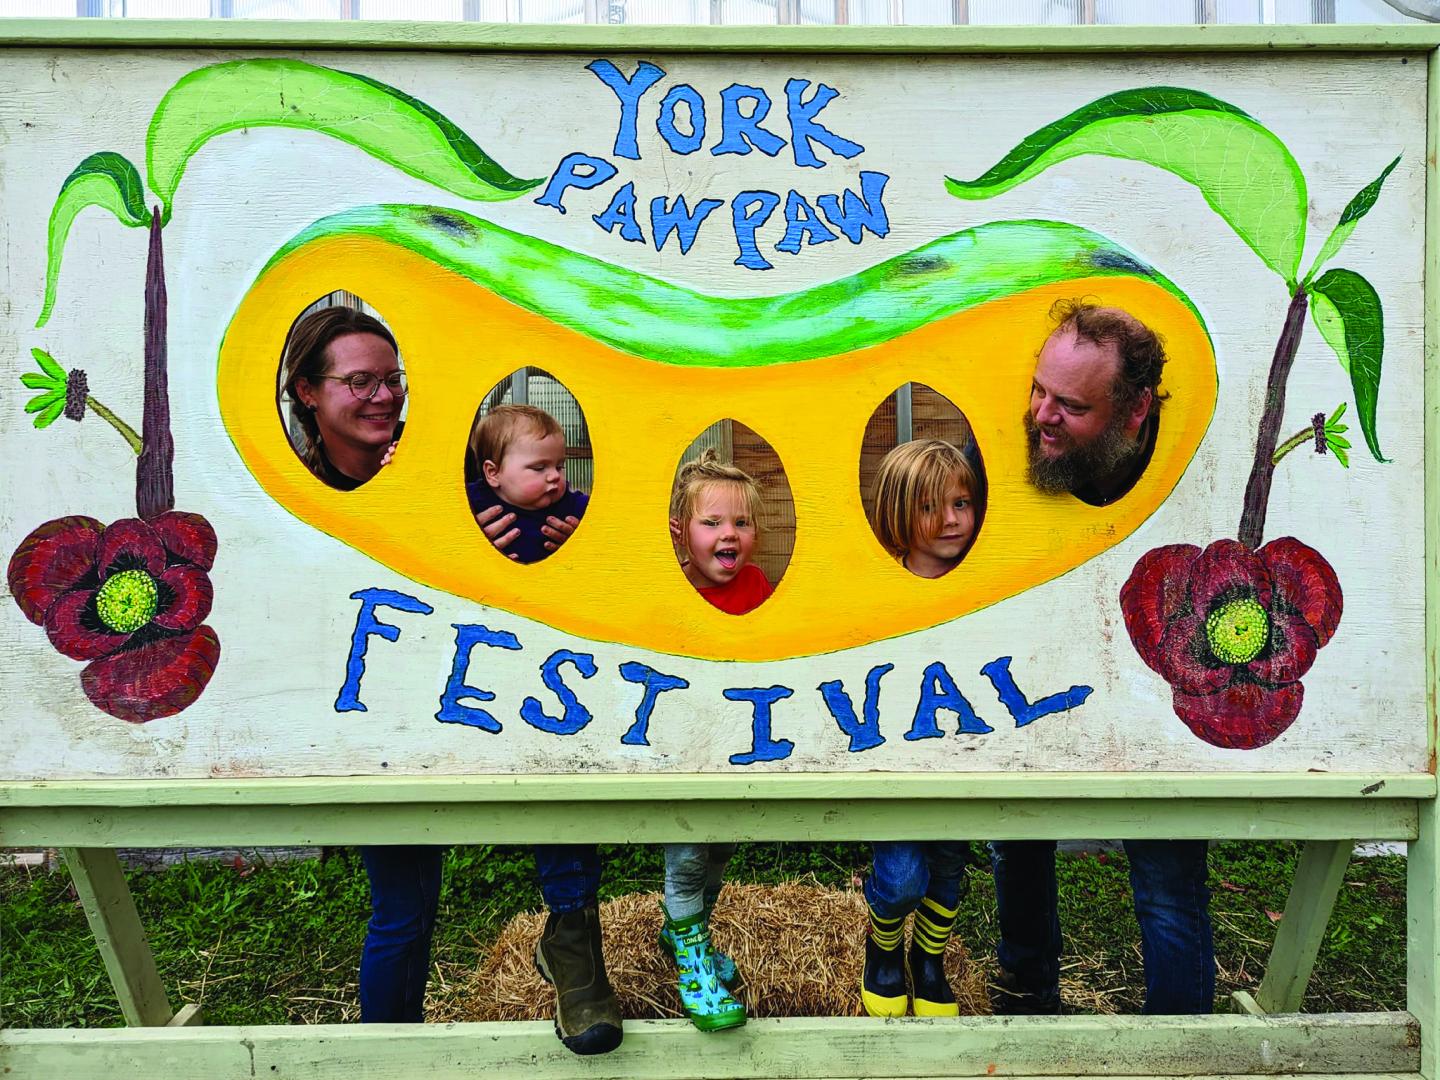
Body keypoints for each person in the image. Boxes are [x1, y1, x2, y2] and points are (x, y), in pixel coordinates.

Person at [990, 299, 1212, 1017]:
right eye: (1038, 391)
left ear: (1136, 410)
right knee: (1017, 847)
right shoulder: (998, 458)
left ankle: (1181, 1052)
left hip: (1154, 695)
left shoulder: (1192, 474)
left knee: (1168, 872)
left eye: (1071, 406)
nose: (1042, 415)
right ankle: (1028, 1012)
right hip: (1032, 680)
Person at [860, 438, 985, 1017]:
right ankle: (883, 947)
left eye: (961, 502)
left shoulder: (988, 582)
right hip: (898, 765)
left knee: (949, 870)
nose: (952, 519)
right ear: (897, 514)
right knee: (903, 875)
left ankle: (927, 961)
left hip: (963, 761)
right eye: (932, 507)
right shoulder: (880, 591)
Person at [652, 448, 771, 1031]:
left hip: (736, 754)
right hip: (685, 758)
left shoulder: (760, 587)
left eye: (742, 523)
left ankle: (683, 933)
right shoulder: (671, 590)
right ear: (680, 531)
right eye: (713, 522)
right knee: (686, 862)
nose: (730, 534)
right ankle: (693, 958)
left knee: (719, 855)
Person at [280, 306, 405, 490]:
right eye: (360, 381)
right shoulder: (297, 498)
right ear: (306, 391)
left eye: (393, 379)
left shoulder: (445, 456)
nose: (385, 396)